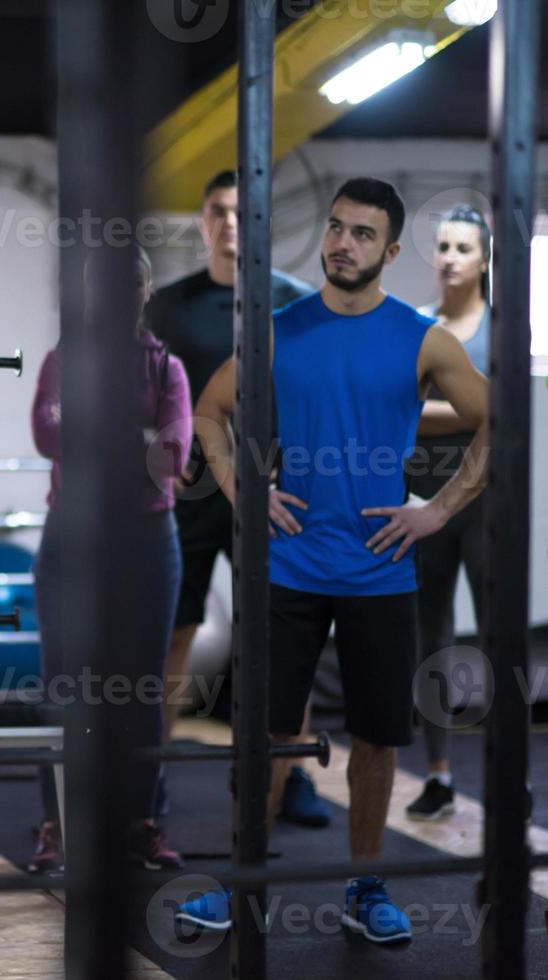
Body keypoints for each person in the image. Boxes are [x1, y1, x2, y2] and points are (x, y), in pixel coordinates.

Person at [182, 178, 489, 944]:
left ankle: (365, 883)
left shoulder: (422, 340)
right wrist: (243, 491)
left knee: (378, 738)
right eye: (335, 228)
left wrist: (436, 510)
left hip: (381, 571)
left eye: (360, 234)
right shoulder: (279, 331)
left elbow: (498, 426)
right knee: (268, 732)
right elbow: (209, 413)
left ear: (388, 252)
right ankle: (241, 881)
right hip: (287, 568)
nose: (341, 243)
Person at [143, 170, 330, 829]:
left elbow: (317, 401)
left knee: (283, 641)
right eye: (216, 211)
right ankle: (151, 779)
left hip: (277, 496)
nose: (228, 223)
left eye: (240, 212)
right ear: (202, 222)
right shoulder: (165, 307)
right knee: (172, 634)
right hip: (187, 495)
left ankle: (293, 770)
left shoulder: (300, 306)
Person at [26, 246, 191, 873]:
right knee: (62, 684)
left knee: (142, 688)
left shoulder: (166, 367)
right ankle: (57, 825)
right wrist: (135, 434)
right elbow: (45, 434)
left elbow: (172, 454)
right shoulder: (63, 360)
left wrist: (92, 427)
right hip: (73, 537)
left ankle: (142, 823)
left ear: (145, 291)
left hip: (149, 539)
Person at [406, 205, 492, 821]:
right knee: (429, 639)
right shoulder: (415, 329)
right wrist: (473, 406)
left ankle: (508, 773)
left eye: (463, 247)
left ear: (484, 259)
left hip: (488, 501)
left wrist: (453, 403)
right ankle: (438, 774)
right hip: (427, 505)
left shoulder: (504, 329)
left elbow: (504, 411)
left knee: (499, 640)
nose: (450, 257)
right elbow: (401, 411)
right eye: (442, 246)